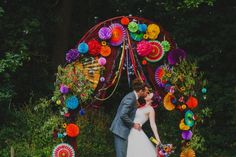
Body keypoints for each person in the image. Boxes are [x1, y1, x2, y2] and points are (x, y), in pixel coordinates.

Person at [110, 78, 149, 157]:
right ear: (141, 91)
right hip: (120, 130)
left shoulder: (133, 97)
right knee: (121, 155)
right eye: (145, 92)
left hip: (122, 130)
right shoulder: (131, 98)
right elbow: (123, 114)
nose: (146, 93)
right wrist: (134, 124)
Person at [126, 92, 161, 157]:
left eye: (149, 95)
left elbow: (153, 125)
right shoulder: (141, 106)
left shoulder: (150, 109)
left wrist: (158, 139)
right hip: (130, 130)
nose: (147, 94)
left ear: (152, 100)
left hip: (136, 132)